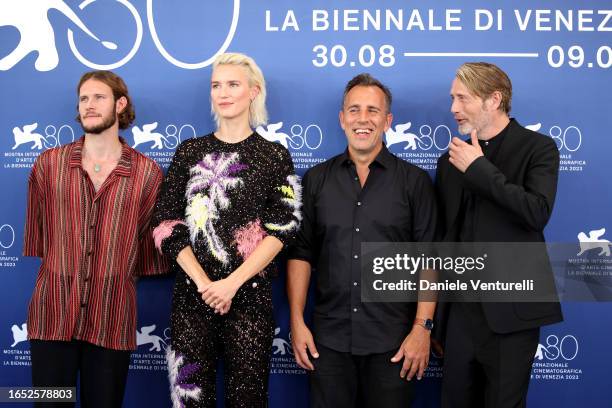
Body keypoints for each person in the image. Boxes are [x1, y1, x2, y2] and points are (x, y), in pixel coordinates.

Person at [152, 52, 301, 408]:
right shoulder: (190, 152)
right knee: (189, 401)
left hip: (250, 302)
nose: (223, 92)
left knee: (248, 400)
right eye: (216, 85)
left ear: (254, 91)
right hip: (193, 299)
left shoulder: (274, 155)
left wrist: (231, 284)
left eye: (233, 84)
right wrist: (206, 285)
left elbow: (283, 228)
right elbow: (166, 225)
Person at [287, 73, 437, 408]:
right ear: (342, 119)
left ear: (388, 120)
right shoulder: (316, 180)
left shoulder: (415, 183)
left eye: (373, 110)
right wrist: (297, 322)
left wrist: (422, 328)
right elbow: (301, 255)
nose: (363, 119)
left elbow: (430, 260)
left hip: (395, 343)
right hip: (328, 342)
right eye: (354, 110)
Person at [23, 70, 167, 407]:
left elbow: (147, 251)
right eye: (84, 98)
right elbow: (40, 237)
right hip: (51, 316)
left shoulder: (147, 174)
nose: (89, 105)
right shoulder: (48, 165)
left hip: (112, 317)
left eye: (98, 97)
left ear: (120, 104)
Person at [436, 62, 563, 408]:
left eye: (462, 98)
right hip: (460, 318)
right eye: (452, 98)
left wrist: (479, 169)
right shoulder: (448, 161)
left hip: (513, 316)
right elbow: (446, 238)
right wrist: (438, 319)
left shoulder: (538, 149)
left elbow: (536, 212)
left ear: (494, 99)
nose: (453, 108)